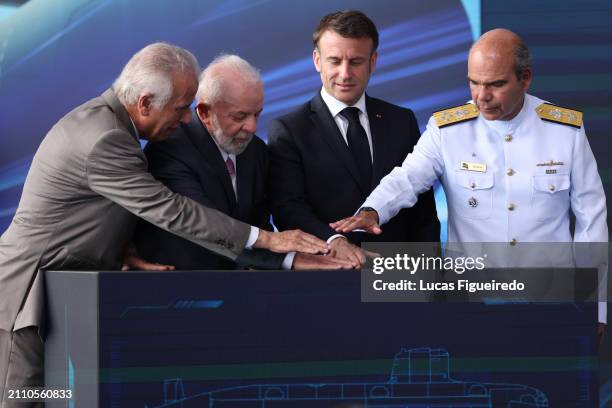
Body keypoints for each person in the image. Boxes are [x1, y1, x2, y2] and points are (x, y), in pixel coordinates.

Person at [0, 43, 338, 405]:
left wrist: (124, 248)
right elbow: (171, 210)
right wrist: (267, 240)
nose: (189, 118)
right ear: (145, 103)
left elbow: (91, 208)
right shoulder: (107, 138)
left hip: (61, 294)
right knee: (24, 400)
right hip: (27, 300)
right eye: (181, 107)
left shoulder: (109, 124)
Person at [331, 29, 608, 337]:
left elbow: (591, 222)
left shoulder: (564, 130)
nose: (481, 97)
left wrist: (595, 304)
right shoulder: (448, 128)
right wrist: (373, 209)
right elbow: (407, 177)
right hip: (473, 299)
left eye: (496, 84)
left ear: (525, 78)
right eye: (473, 83)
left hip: (551, 299)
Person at [135, 54, 353, 270]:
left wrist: (323, 247)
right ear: (204, 112)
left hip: (242, 286)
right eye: (239, 117)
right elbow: (204, 228)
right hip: (178, 285)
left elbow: (261, 223)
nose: (252, 127)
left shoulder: (255, 150)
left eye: (257, 114)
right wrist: (289, 261)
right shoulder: (169, 148)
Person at [267, 10, 440, 267]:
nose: (345, 74)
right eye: (334, 61)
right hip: (328, 273)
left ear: (373, 61)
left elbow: (422, 208)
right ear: (317, 60)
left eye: (356, 62)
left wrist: (431, 272)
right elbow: (288, 209)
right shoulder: (289, 129)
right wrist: (333, 240)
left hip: (398, 276)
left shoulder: (401, 120)